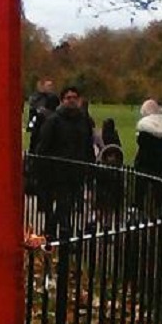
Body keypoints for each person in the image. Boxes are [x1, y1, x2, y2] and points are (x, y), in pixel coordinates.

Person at [36, 86, 95, 238]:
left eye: (75, 98)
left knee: (68, 205)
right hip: (57, 172)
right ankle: (60, 233)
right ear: (62, 101)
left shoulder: (85, 121)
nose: (72, 101)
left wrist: (91, 166)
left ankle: (56, 231)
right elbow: (43, 147)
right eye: (68, 98)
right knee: (62, 204)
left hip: (77, 171)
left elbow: (88, 145)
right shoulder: (53, 121)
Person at [133, 99, 162, 215]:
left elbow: (141, 145)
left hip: (145, 164)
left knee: (142, 187)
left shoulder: (145, 132)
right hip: (160, 164)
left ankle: (139, 206)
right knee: (159, 187)